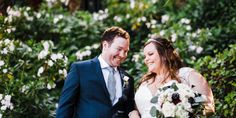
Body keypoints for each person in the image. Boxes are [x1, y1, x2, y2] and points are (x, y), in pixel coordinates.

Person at [56, 26, 135, 118]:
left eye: (125, 51)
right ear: (105, 45)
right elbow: (65, 108)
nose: (122, 55)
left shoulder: (128, 79)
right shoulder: (80, 69)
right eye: (119, 49)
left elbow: (129, 110)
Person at [129, 36, 215, 118]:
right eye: (145, 56)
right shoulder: (144, 82)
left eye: (150, 54)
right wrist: (133, 113)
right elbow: (136, 110)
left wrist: (183, 111)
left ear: (165, 54)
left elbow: (207, 106)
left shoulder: (186, 74)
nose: (146, 59)